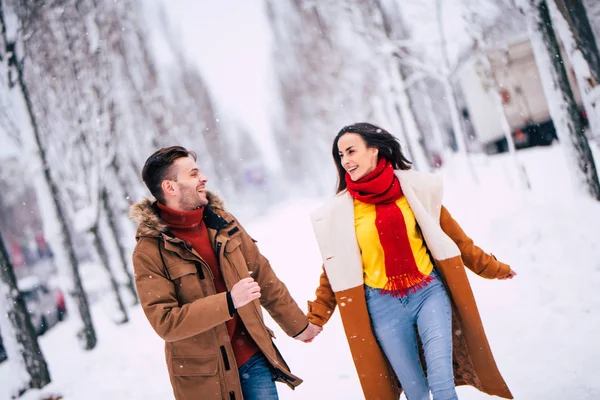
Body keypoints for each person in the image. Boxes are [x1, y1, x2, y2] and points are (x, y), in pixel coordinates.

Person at [305, 123, 515, 400]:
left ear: (373, 150)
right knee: (416, 391)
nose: (345, 160)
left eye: (351, 151)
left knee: (442, 383)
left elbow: (455, 239)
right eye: (340, 155)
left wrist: (492, 268)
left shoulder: (415, 190)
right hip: (382, 305)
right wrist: (316, 317)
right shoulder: (341, 211)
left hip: (428, 293)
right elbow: (333, 270)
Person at [130, 146, 321, 400]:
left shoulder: (223, 223)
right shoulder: (150, 251)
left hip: (252, 357)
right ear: (170, 187)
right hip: (204, 378)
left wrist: (297, 325)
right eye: (193, 174)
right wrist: (229, 301)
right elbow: (166, 322)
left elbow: (261, 275)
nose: (203, 178)